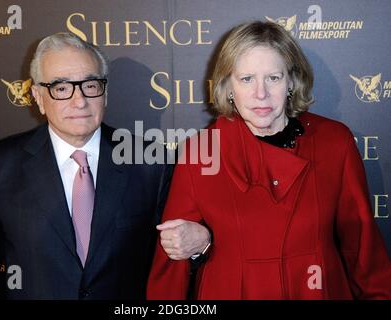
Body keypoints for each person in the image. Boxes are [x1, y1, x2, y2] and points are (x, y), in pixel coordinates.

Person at [147, 21, 391, 299]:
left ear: (291, 81)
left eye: (273, 78)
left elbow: (361, 246)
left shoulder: (334, 142)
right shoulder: (200, 151)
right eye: (246, 79)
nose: (260, 93)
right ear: (228, 86)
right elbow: (170, 264)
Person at [0, 32, 210, 299]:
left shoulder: (150, 161)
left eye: (90, 85)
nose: (79, 101)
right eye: (61, 87)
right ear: (38, 96)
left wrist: (201, 243)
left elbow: (178, 262)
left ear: (105, 93)